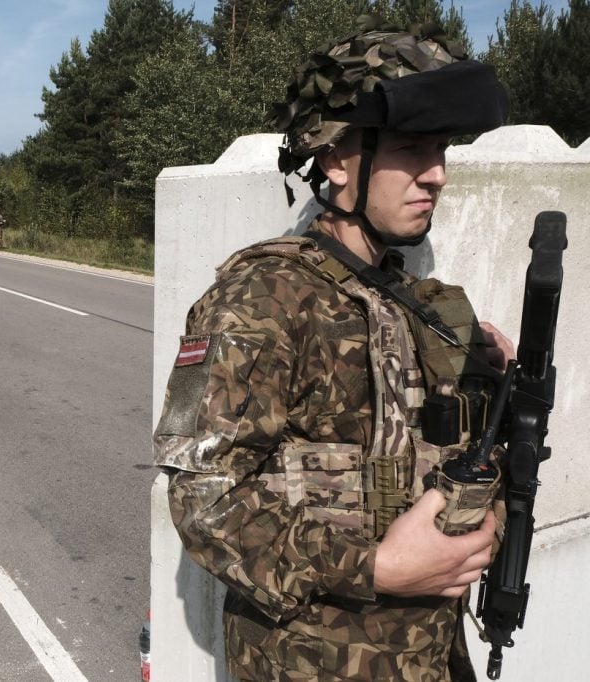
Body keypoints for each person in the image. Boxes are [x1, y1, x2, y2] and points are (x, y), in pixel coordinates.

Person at [153, 15, 513, 681]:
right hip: (311, 664)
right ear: (336, 158)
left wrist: (494, 394)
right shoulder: (263, 300)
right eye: (411, 148)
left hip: (431, 656)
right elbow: (203, 498)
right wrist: (375, 566)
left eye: (443, 152)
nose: (436, 176)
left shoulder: (425, 307)